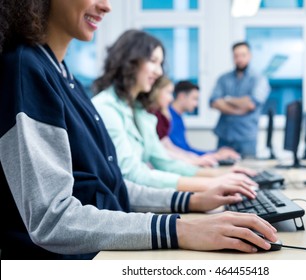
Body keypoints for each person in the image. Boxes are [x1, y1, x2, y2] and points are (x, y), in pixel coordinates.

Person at [0, 0, 278, 260]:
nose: (106, 6)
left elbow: (114, 188)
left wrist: (192, 201)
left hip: (103, 250)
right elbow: (51, 219)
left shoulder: (64, 77)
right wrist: (182, 229)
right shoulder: (27, 70)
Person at [92, 30, 257, 192]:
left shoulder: (139, 111)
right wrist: (211, 183)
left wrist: (219, 175)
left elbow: (163, 161)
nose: (159, 72)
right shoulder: (106, 108)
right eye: (153, 61)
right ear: (129, 61)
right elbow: (132, 175)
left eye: (160, 64)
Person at [209, 41, 271, 158]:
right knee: (221, 171)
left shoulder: (259, 79)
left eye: (243, 55)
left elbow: (250, 104)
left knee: (248, 170)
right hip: (224, 136)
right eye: (236, 56)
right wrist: (238, 109)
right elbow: (214, 102)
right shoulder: (223, 78)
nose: (239, 59)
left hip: (246, 138)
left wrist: (226, 99)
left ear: (250, 56)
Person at [147, 76, 218, 167]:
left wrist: (196, 158)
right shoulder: (161, 116)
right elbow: (165, 149)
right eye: (194, 99)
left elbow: (169, 145)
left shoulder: (174, 117)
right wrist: (210, 156)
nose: (171, 98)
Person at [169, 80, 241, 161]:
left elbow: (186, 149)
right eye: (194, 99)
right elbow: (182, 150)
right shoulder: (169, 118)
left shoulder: (178, 118)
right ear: (181, 96)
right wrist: (216, 154)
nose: (196, 104)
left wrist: (215, 153)